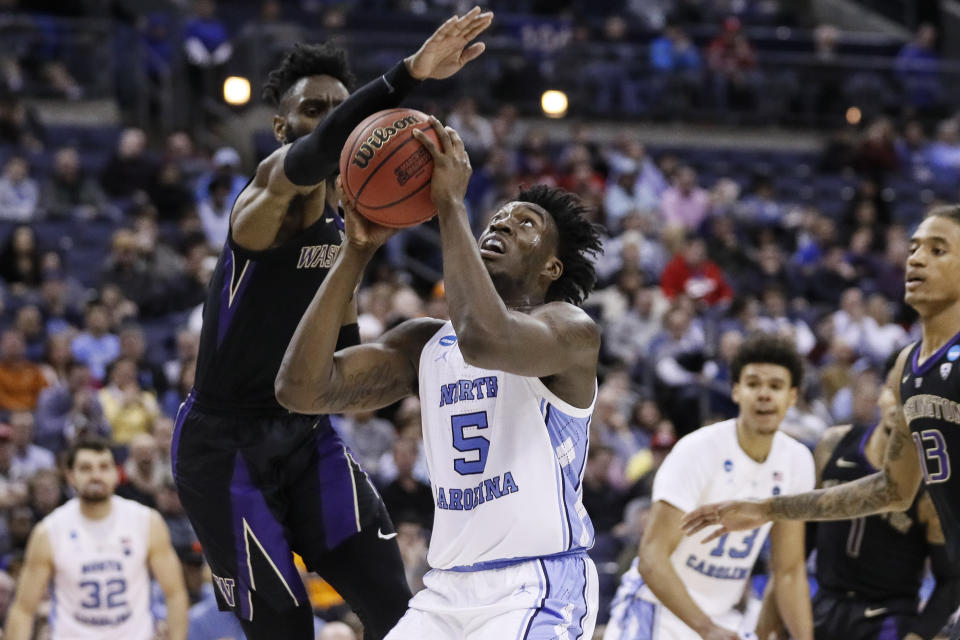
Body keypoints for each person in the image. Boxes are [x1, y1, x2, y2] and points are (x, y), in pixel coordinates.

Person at [172, 9, 493, 640]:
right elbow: (321, 150)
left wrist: (362, 256)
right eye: (314, 109)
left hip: (304, 435)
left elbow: (337, 360)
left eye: (339, 109)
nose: (330, 121)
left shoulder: (345, 224)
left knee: (397, 608)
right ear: (280, 125)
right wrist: (408, 75)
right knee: (286, 628)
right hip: (224, 447)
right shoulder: (267, 194)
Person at [275, 118, 604, 638]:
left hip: (537, 582)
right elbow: (300, 389)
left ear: (551, 269)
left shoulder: (568, 330)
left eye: (525, 225)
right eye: (497, 217)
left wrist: (451, 204)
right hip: (445, 591)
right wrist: (354, 254)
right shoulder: (425, 343)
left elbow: (484, 340)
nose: (500, 224)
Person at [682, 206, 960, 603]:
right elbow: (892, 489)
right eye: (914, 248)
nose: (916, 258)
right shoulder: (907, 366)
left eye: (938, 250)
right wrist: (766, 509)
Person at [603, 334, 814, 640]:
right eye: (753, 384)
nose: (764, 394)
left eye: (776, 386)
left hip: (721, 616)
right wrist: (706, 628)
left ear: (792, 397)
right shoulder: (698, 450)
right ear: (736, 391)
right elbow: (652, 557)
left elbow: (789, 571)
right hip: (657, 609)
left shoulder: (797, 461)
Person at [808, 361, 960, 640]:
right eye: (895, 390)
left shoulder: (933, 485)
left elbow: (950, 581)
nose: (902, 404)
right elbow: (802, 539)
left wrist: (917, 635)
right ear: (879, 393)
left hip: (888, 618)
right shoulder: (833, 445)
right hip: (822, 606)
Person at [4, 437, 188, 640]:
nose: (96, 475)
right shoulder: (48, 532)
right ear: (70, 476)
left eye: (103, 467)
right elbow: (23, 609)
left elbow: (175, 593)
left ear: (116, 474)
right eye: (86, 468)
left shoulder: (146, 522)